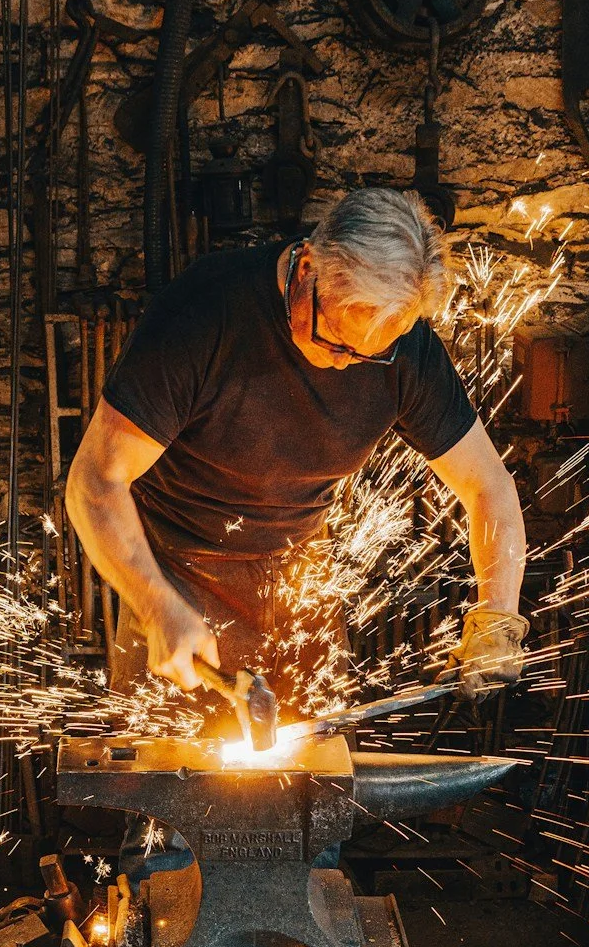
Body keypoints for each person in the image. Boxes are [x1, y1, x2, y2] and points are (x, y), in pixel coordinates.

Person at [65, 185, 527, 717]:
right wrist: (155, 605)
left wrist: (497, 617)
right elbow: (95, 480)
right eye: (334, 340)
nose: (342, 365)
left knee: (321, 781)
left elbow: (489, 487)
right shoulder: (201, 313)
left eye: (367, 356)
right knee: (173, 780)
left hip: (303, 579)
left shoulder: (408, 353)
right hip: (178, 568)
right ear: (307, 266)